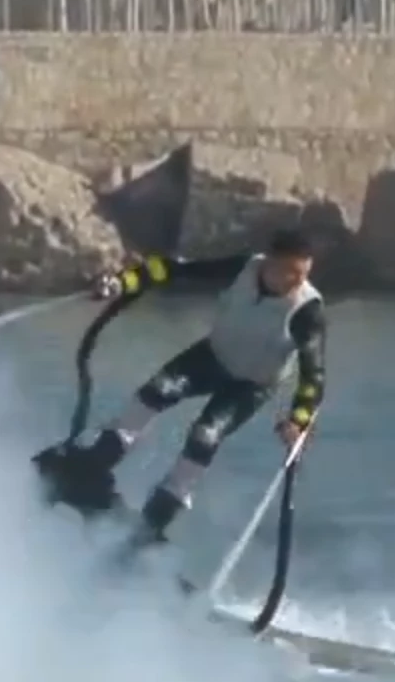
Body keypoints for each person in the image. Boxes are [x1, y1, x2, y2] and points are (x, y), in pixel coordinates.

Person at [51, 228, 328, 543]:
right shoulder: (243, 269)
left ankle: (155, 519)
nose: (297, 282)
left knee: (204, 435)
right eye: (290, 272)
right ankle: (94, 465)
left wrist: (299, 421)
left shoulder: (308, 310)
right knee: (157, 391)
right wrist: (122, 283)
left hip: (251, 385)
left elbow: (313, 375)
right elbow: (171, 268)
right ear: (269, 261)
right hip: (212, 357)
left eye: (303, 274)